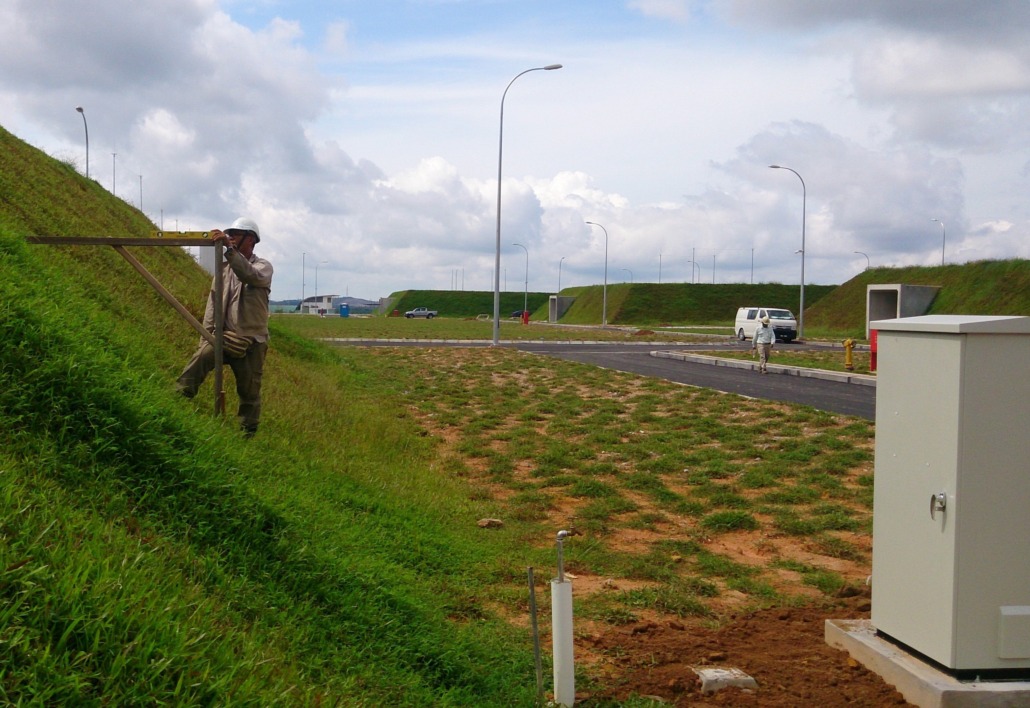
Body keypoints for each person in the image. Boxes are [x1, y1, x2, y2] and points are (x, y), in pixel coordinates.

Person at [176, 217, 273, 436]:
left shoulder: (263, 267)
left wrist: (229, 249)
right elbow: (212, 306)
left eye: (236, 235)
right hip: (224, 337)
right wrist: (206, 337)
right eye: (230, 235)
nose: (231, 238)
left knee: (249, 390)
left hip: (252, 342)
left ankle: (247, 433)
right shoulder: (224, 270)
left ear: (251, 240)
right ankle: (178, 398)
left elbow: (248, 274)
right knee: (201, 358)